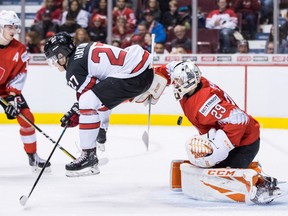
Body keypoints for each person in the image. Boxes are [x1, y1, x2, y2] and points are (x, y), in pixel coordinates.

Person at [155, 59, 283, 204]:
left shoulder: (205, 102)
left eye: (178, 81)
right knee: (208, 160)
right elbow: (173, 68)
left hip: (244, 143)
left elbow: (239, 119)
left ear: (188, 81)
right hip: (228, 135)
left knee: (223, 178)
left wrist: (220, 147)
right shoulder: (194, 83)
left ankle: (263, 184)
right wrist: (152, 79)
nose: (174, 84)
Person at [44, 32, 165, 177]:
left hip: (134, 78)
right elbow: (102, 92)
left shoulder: (72, 71)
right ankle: (101, 130)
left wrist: (76, 111)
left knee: (88, 100)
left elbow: (93, 93)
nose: (54, 64)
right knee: (93, 98)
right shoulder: (83, 47)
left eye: (53, 59)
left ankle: (88, 154)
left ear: (61, 55)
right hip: (143, 70)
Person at [0, 10, 51, 170]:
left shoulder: (19, 49)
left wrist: (12, 97)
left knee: (26, 117)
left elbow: (20, 73)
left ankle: (33, 157)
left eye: (15, 27)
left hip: (6, 89)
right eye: (10, 27)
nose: (13, 30)